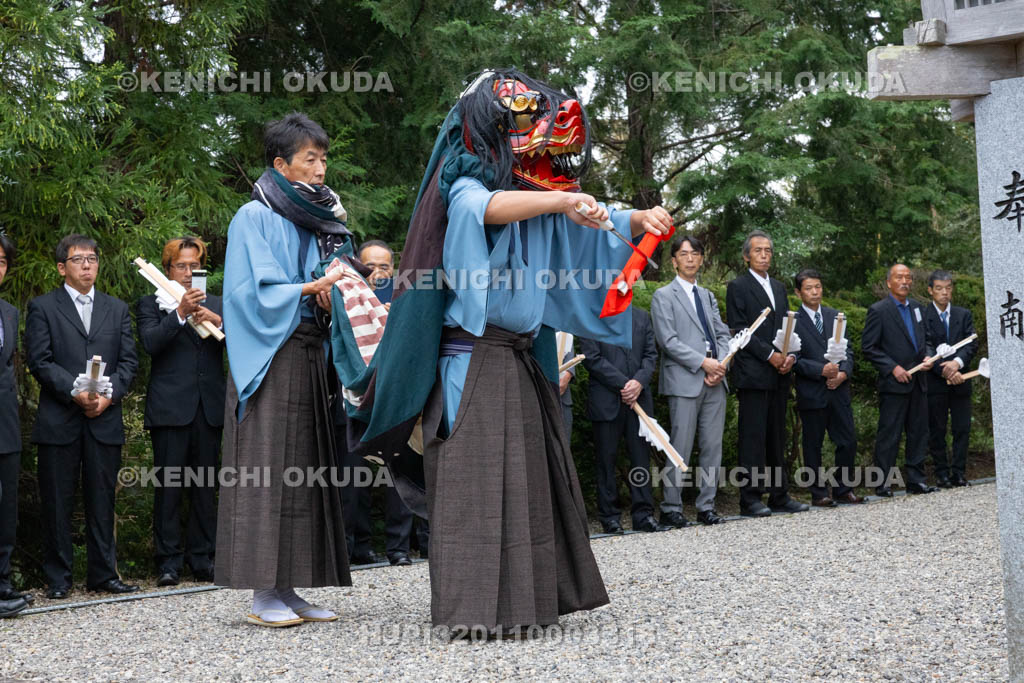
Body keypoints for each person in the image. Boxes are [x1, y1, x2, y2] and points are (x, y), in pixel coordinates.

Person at [342, 69, 672, 635]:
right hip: (470, 358)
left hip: (519, 356)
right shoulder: (462, 175)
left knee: (528, 480)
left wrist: (632, 218)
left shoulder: (538, 194)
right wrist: (560, 203)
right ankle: (474, 612)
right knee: (474, 485)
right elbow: (482, 209)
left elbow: (578, 224)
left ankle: (529, 602)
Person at [215, 112, 355, 627]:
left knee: (306, 471)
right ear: (281, 164)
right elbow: (247, 294)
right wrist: (308, 290)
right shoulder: (252, 216)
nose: (320, 170)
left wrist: (330, 299)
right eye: (309, 160)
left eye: (323, 159)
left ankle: (290, 588)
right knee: (267, 470)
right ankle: (261, 592)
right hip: (270, 354)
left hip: (310, 352)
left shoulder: (320, 219)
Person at [26, 234, 139, 598]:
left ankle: (103, 575)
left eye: (92, 258)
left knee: (102, 500)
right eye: (78, 260)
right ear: (62, 267)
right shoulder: (43, 307)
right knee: (57, 502)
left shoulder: (117, 309)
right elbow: (39, 360)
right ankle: (58, 579)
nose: (87, 265)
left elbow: (129, 363)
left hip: (104, 418)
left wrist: (109, 396)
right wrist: (75, 393)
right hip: (60, 418)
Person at [136, 237, 225, 586]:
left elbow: (240, 343)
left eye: (194, 267)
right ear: (168, 269)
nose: (188, 274)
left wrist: (218, 320)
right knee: (169, 487)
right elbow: (151, 343)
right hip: (171, 409)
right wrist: (180, 314)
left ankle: (202, 558)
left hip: (208, 407)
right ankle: (168, 561)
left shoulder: (217, 303)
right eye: (181, 266)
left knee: (205, 486)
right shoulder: (151, 304)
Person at [337, 239, 419, 567]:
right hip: (356, 401)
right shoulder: (347, 299)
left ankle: (398, 549)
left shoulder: (407, 300)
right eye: (369, 266)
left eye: (384, 266)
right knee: (354, 478)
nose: (377, 272)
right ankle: (357, 547)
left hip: (395, 399)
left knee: (399, 473)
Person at [726, 230, 809, 517]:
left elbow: (786, 329)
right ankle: (750, 498)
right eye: (758, 250)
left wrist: (789, 355)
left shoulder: (779, 287)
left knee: (777, 436)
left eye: (768, 251)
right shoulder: (737, 286)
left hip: (780, 373)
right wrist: (770, 355)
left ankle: (779, 494)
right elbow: (739, 330)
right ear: (746, 255)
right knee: (753, 437)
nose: (764, 255)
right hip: (754, 371)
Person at [650, 235, 731, 526]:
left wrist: (721, 363)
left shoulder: (708, 296)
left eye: (695, 253)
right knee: (679, 447)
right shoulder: (663, 296)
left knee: (712, 446)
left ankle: (706, 506)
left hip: (715, 380)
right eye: (684, 254)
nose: (690, 258)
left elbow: (722, 334)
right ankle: (671, 507)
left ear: (701, 259)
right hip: (685, 380)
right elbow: (668, 341)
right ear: (674, 261)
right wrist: (703, 362)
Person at [579, 305, 663, 534]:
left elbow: (650, 355)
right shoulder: (592, 315)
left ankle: (643, 514)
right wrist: (623, 384)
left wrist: (638, 382)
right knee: (606, 461)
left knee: (641, 459)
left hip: (639, 400)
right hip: (607, 401)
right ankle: (610, 517)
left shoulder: (642, 317)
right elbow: (591, 357)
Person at [861, 264, 936, 496]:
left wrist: (929, 355)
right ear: (888, 282)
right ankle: (882, 482)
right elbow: (869, 347)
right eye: (899, 277)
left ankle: (915, 480)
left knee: (918, 432)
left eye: (908, 277)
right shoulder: (879, 310)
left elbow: (928, 339)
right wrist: (892, 368)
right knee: (889, 434)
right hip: (894, 384)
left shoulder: (917, 308)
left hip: (919, 381)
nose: (905, 281)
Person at [791, 269, 863, 506]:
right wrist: (820, 370)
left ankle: (844, 488)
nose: (815, 292)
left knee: (847, 440)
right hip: (812, 391)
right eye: (809, 288)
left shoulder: (835, 316)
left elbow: (849, 350)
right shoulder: (794, 321)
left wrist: (843, 373)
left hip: (838, 390)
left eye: (818, 287)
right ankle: (819, 493)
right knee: (813, 444)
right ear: (798, 292)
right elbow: (793, 359)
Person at [0, 233, 31, 617]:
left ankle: (3, 583)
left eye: (3, 261)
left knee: (6, 510)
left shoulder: (9, 311)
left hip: (5, 424)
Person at [924, 269, 977, 488]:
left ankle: (958, 473)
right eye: (939, 288)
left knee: (961, 427)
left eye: (948, 288)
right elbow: (923, 345)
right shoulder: (923, 315)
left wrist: (957, 365)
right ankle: (942, 473)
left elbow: (971, 343)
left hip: (961, 378)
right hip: (936, 381)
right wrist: (943, 369)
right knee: (937, 428)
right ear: (930, 290)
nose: (944, 293)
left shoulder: (963, 314)